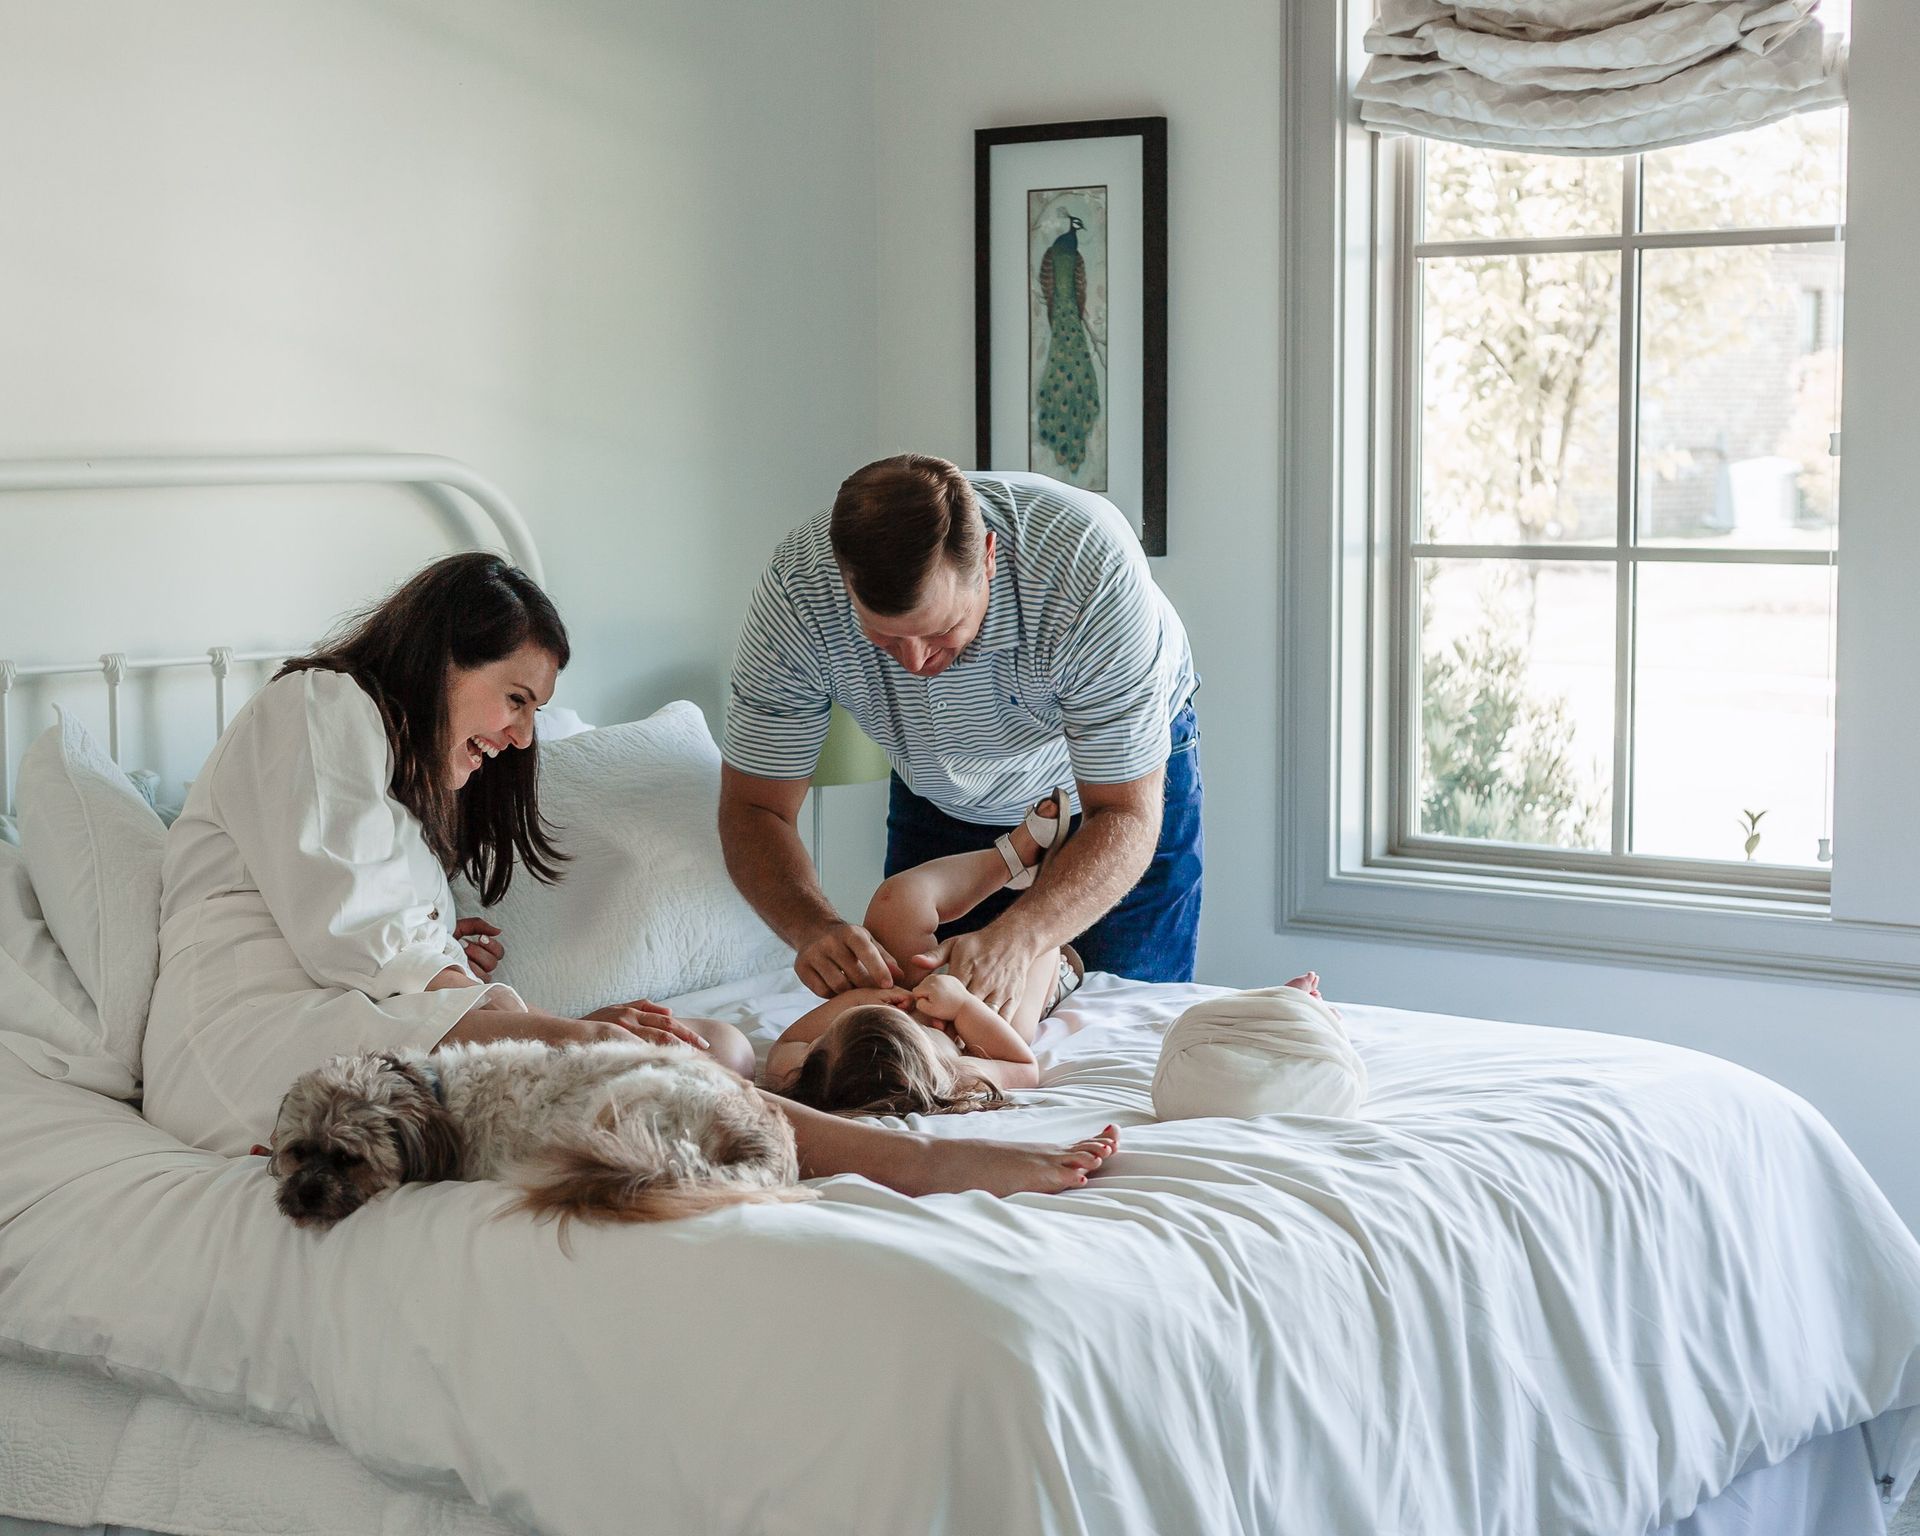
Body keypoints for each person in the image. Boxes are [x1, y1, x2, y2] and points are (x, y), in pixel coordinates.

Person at [141, 553, 1117, 1196]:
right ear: (441, 659)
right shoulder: (318, 705)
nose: (521, 736)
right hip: (251, 1057)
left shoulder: (390, 787)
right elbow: (352, 936)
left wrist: (461, 968)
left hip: (353, 1042)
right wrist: (484, 995)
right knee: (615, 1053)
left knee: (637, 1061)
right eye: (514, 699)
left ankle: (849, 1153)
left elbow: (372, 926)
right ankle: (911, 1164)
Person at [719, 456, 1201, 1023]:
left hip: (1108, 800)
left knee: (1127, 1021)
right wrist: (812, 928)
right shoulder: (799, 595)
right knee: (920, 1014)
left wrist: (1022, 938)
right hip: (935, 781)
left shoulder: (1086, 568)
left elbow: (1123, 812)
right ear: (844, 583)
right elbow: (755, 807)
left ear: (990, 561)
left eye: (941, 631)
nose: (916, 662)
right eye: (885, 637)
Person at [763, 793, 1083, 1110]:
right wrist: (962, 1008)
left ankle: (1009, 861)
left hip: (914, 989)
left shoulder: (811, 1074)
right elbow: (1023, 1068)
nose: (911, 1017)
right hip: (982, 1020)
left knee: (898, 901)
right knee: (1039, 951)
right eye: (920, 1030)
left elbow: (784, 1049)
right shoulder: (956, 1074)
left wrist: (862, 1001)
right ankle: (1044, 886)